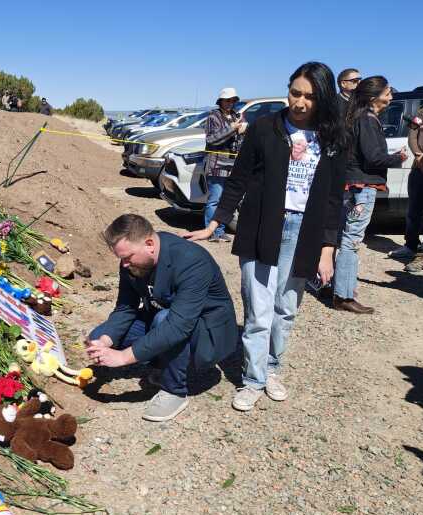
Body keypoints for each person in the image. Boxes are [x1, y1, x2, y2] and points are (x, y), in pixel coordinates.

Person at [185, 62, 346, 412]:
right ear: (288, 89)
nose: (300, 103)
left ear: (323, 99)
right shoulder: (263, 129)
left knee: (285, 309)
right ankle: (253, 379)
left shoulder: (333, 138)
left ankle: (273, 368)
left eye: (310, 97)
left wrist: (327, 248)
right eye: (295, 93)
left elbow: (335, 198)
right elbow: (238, 180)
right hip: (262, 227)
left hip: (305, 232)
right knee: (258, 311)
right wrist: (215, 224)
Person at [85, 214, 238, 422]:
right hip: (163, 317)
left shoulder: (191, 261)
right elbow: (125, 308)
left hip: (206, 332)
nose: (124, 265)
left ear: (149, 244)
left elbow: (178, 326)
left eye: (128, 257)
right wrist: (104, 341)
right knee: (100, 335)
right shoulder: (132, 263)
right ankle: (161, 362)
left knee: (164, 320)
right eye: (121, 258)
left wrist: (122, 357)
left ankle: (174, 391)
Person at [333, 76, 408, 314]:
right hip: (362, 186)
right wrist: (399, 158)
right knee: (351, 240)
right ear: (374, 97)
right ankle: (343, 295)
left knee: (345, 236)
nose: (391, 97)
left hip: (354, 184)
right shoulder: (366, 119)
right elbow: (374, 157)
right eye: (388, 93)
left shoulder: (358, 117)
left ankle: (339, 287)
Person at [390, 103, 423, 273]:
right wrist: (419, 156)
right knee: (414, 209)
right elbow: (412, 136)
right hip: (419, 166)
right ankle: (410, 245)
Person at [202, 87, 248, 243]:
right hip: (217, 164)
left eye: (233, 100)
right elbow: (211, 139)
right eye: (227, 100)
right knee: (215, 199)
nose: (230, 103)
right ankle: (211, 231)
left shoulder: (236, 116)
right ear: (220, 101)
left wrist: (242, 132)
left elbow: (238, 141)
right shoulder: (213, 117)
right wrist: (232, 128)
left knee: (225, 200)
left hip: (232, 165)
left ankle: (220, 231)